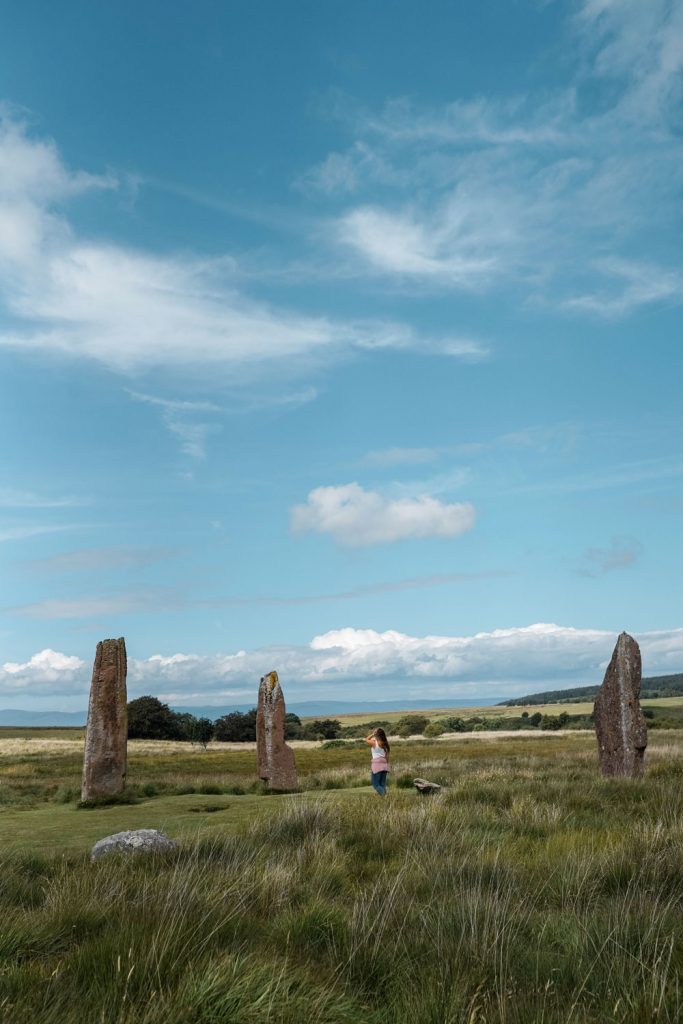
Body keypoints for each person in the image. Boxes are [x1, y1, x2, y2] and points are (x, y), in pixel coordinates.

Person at [365, 727, 390, 796]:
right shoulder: (386, 744)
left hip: (376, 763)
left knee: (375, 784)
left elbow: (366, 739)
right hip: (384, 763)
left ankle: (384, 795)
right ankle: (384, 797)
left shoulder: (374, 743)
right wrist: (386, 765)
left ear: (377, 734)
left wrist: (372, 734)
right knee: (382, 784)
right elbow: (387, 757)